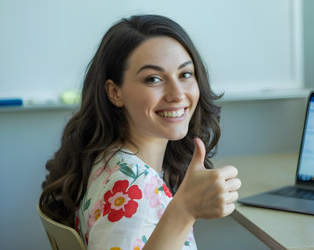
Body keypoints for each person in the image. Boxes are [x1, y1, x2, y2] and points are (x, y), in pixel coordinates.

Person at [39, 14, 241, 250]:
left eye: (185, 74)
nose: (177, 94)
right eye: (153, 79)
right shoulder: (133, 188)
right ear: (115, 92)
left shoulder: (109, 159)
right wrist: (184, 210)